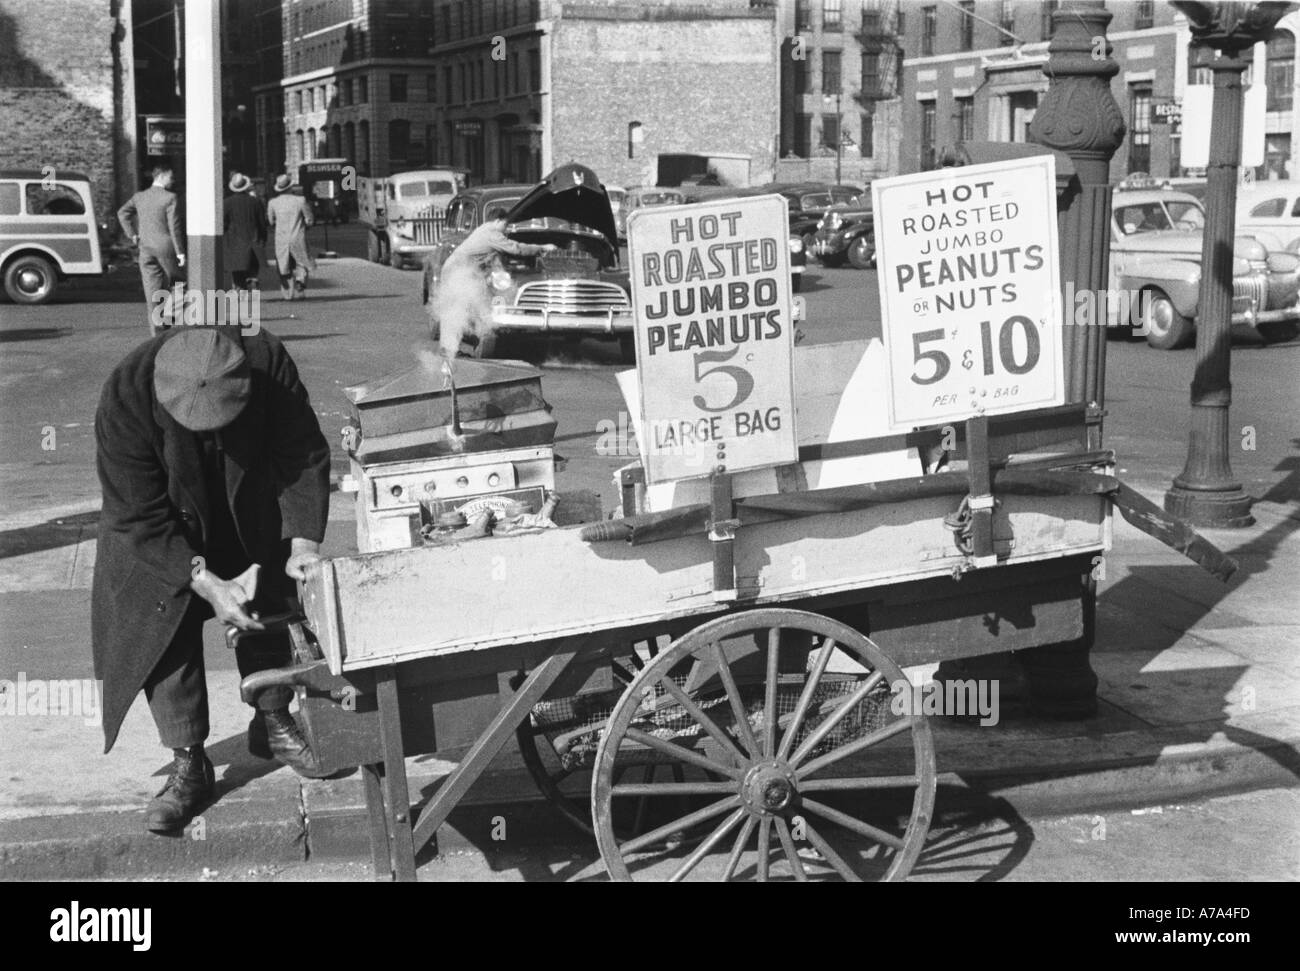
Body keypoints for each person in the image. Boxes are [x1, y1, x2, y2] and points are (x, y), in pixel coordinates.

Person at [92, 327, 332, 833]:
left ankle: (272, 718)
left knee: (267, 599)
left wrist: (303, 545)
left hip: (246, 503)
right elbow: (137, 514)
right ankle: (189, 761)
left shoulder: (267, 361)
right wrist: (203, 579)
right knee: (165, 624)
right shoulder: (125, 394)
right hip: (161, 525)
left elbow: (302, 453)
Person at [430, 218, 557, 355]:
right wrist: (542, 247)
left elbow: (492, 261)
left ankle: (450, 349)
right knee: (458, 309)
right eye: (505, 225)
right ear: (498, 221)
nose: (506, 229)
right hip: (458, 271)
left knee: (457, 308)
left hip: (458, 269)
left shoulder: (483, 230)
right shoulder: (492, 234)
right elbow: (516, 248)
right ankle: (452, 349)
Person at [117, 162, 186, 331]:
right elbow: (174, 227)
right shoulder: (170, 198)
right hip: (166, 247)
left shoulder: (139, 196)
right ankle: (174, 324)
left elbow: (122, 213)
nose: (172, 180)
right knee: (178, 284)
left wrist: (132, 235)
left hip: (145, 247)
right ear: (161, 176)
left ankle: (156, 331)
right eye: (170, 177)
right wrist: (180, 252)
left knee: (152, 290)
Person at [266, 174, 316, 300]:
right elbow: (309, 219)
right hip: (298, 236)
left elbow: (271, 221)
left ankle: (288, 292)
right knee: (301, 262)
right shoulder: (301, 200)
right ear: (291, 186)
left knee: (283, 265)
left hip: (281, 238)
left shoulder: (273, 203)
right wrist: (307, 225)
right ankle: (300, 282)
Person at [223, 172, 267, 290]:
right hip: (253, 240)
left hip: (234, 242)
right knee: (252, 265)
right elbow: (262, 223)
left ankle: (239, 290)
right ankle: (252, 279)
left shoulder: (226, 203)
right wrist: (263, 239)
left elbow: (223, 224)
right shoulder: (256, 202)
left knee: (237, 270)